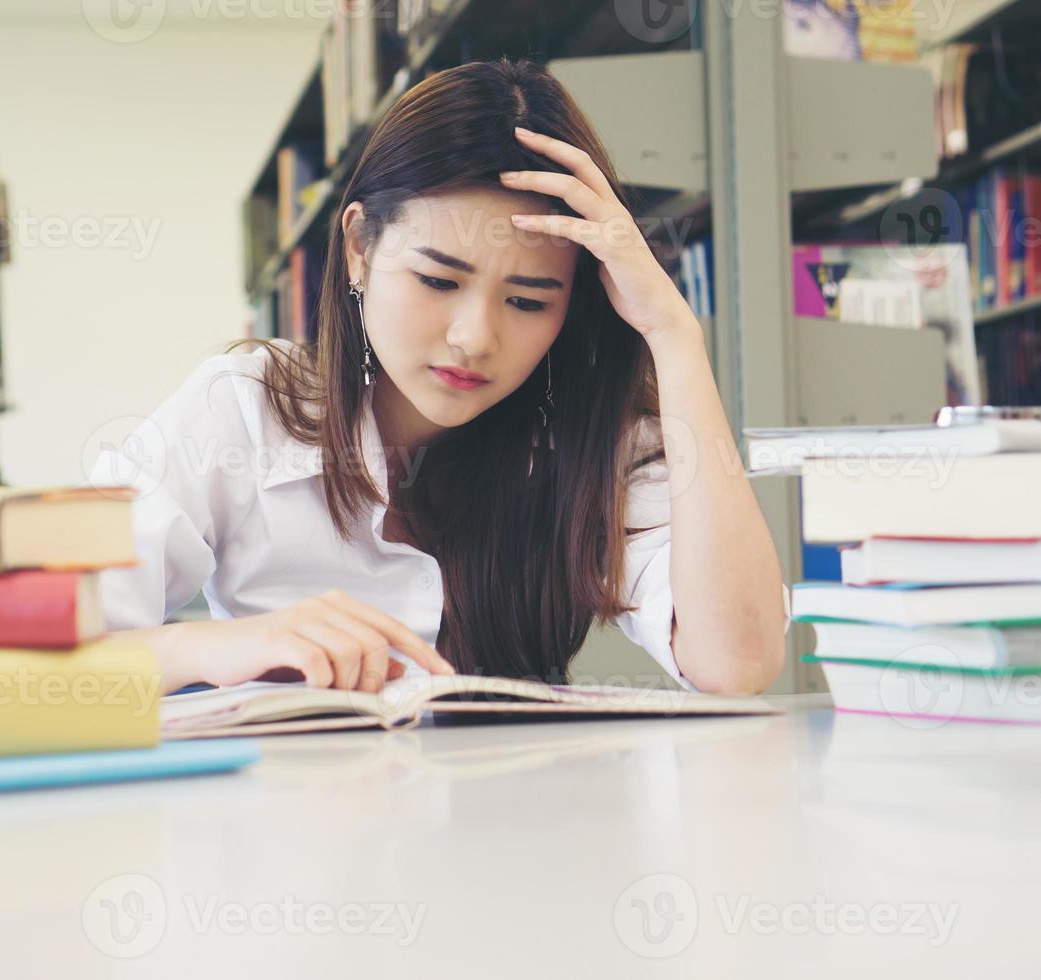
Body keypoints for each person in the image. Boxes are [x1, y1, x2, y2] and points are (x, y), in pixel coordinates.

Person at [87, 58, 786, 698]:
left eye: (528, 301)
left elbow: (738, 664)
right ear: (359, 249)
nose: (475, 337)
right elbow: (45, 654)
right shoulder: (244, 408)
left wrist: (675, 335)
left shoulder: (598, 437)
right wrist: (214, 646)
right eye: (436, 279)